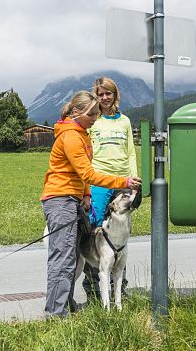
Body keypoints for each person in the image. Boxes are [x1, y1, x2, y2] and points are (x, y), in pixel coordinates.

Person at [41, 90, 141, 318]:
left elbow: (82, 175)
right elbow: (89, 172)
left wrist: (85, 195)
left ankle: (66, 304)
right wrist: (123, 181)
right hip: (60, 199)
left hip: (74, 198)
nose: (96, 118)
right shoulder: (71, 136)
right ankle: (55, 315)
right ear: (76, 112)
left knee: (74, 257)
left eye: (98, 114)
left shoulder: (81, 133)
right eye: (92, 114)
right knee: (64, 258)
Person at [82, 77, 139, 302]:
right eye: (101, 94)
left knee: (120, 236)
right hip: (98, 183)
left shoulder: (124, 121)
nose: (105, 98)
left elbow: (131, 151)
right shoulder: (93, 121)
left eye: (109, 93)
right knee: (95, 234)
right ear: (96, 96)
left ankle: (119, 289)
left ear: (115, 95)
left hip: (122, 183)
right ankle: (94, 290)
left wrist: (133, 181)